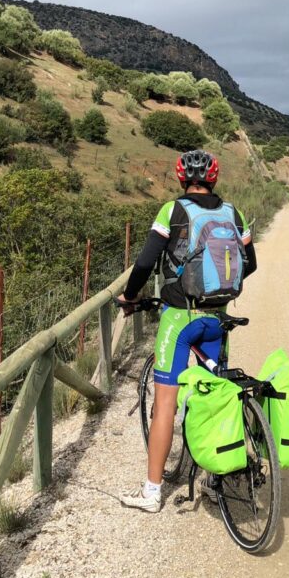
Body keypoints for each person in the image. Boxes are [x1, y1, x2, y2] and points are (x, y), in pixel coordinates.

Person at [117, 149, 257, 513]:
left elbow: (146, 262)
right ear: (214, 179)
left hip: (181, 319)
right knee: (210, 394)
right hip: (218, 318)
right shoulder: (233, 214)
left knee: (166, 403)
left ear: (183, 179)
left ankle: (151, 493)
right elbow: (250, 264)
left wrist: (129, 296)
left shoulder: (173, 211)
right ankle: (216, 478)